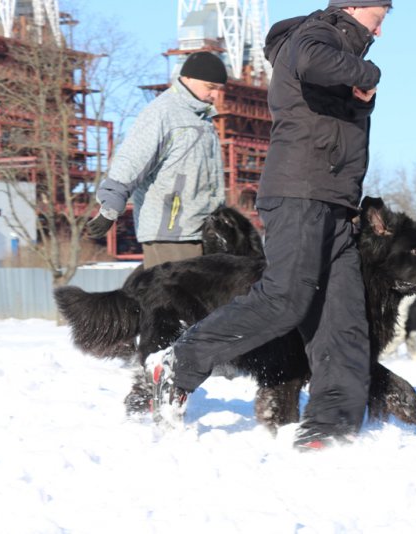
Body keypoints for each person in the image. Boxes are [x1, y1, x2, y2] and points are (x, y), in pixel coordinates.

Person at [148, 0, 393, 450]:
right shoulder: (316, 34)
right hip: (300, 194)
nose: (380, 33)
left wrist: (361, 98)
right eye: (379, 20)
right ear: (356, 7)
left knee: (342, 317)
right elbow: (309, 59)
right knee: (285, 298)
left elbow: (333, 125)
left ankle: (331, 423)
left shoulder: (338, 51)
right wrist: (368, 75)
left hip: (336, 201)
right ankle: (182, 360)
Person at [86, 51, 228, 269]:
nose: (216, 95)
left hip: (203, 232)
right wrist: (109, 208)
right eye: (210, 87)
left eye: (219, 89)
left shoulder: (202, 120)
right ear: (187, 78)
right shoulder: (163, 113)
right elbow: (132, 159)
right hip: (170, 235)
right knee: (170, 302)